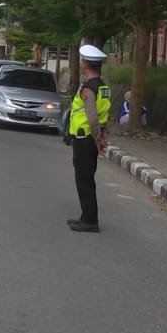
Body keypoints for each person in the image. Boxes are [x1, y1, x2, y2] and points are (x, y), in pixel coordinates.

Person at [65, 44, 111, 233]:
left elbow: (92, 118)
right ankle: (86, 216)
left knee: (84, 180)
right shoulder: (103, 87)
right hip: (91, 139)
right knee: (87, 179)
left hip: (85, 139)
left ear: (84, 64)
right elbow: (104, 115)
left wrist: (98, 139)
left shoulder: (88, 90)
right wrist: (102, 138)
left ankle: (90, 221)